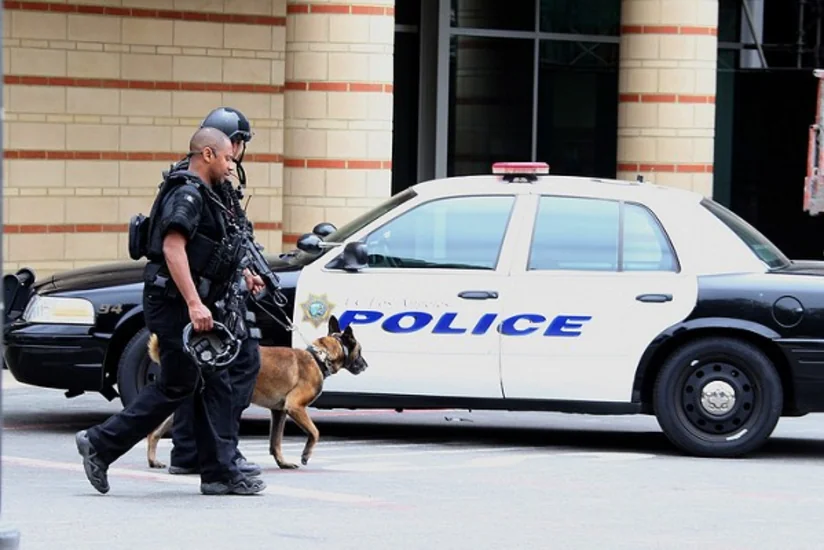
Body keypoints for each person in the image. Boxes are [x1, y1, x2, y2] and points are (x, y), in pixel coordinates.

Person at [75, 127, 267, 496]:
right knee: (216, 382)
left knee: (181, 385)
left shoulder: (209, 195)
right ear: (207, 155)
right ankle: (220, 472)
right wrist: (195, 304)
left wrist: (243, 272)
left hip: (185, 299)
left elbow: (209, 248)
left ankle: (101, 444)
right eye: (228, 157)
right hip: (176, 303)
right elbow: (173, 249)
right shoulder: (187, 194)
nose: (232, 165)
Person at [163, 107, 265, 478]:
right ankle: (221, 451)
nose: (236, 154)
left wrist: (247, 269)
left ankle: (192, 451)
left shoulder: (216, 182)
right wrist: (195, 300)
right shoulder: (195, 187)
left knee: (199, 375)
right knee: (236, 367)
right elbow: (183, 244)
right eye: (236, 144)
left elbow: (232, 237)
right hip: (206, 294)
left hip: (215, 290)